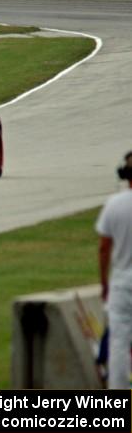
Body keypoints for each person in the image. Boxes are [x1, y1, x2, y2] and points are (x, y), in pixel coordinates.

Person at [97, 152, 132, 389]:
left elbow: (103, 248)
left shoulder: (115, 204)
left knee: (118, 341)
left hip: (123, 280)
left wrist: (104, 284)